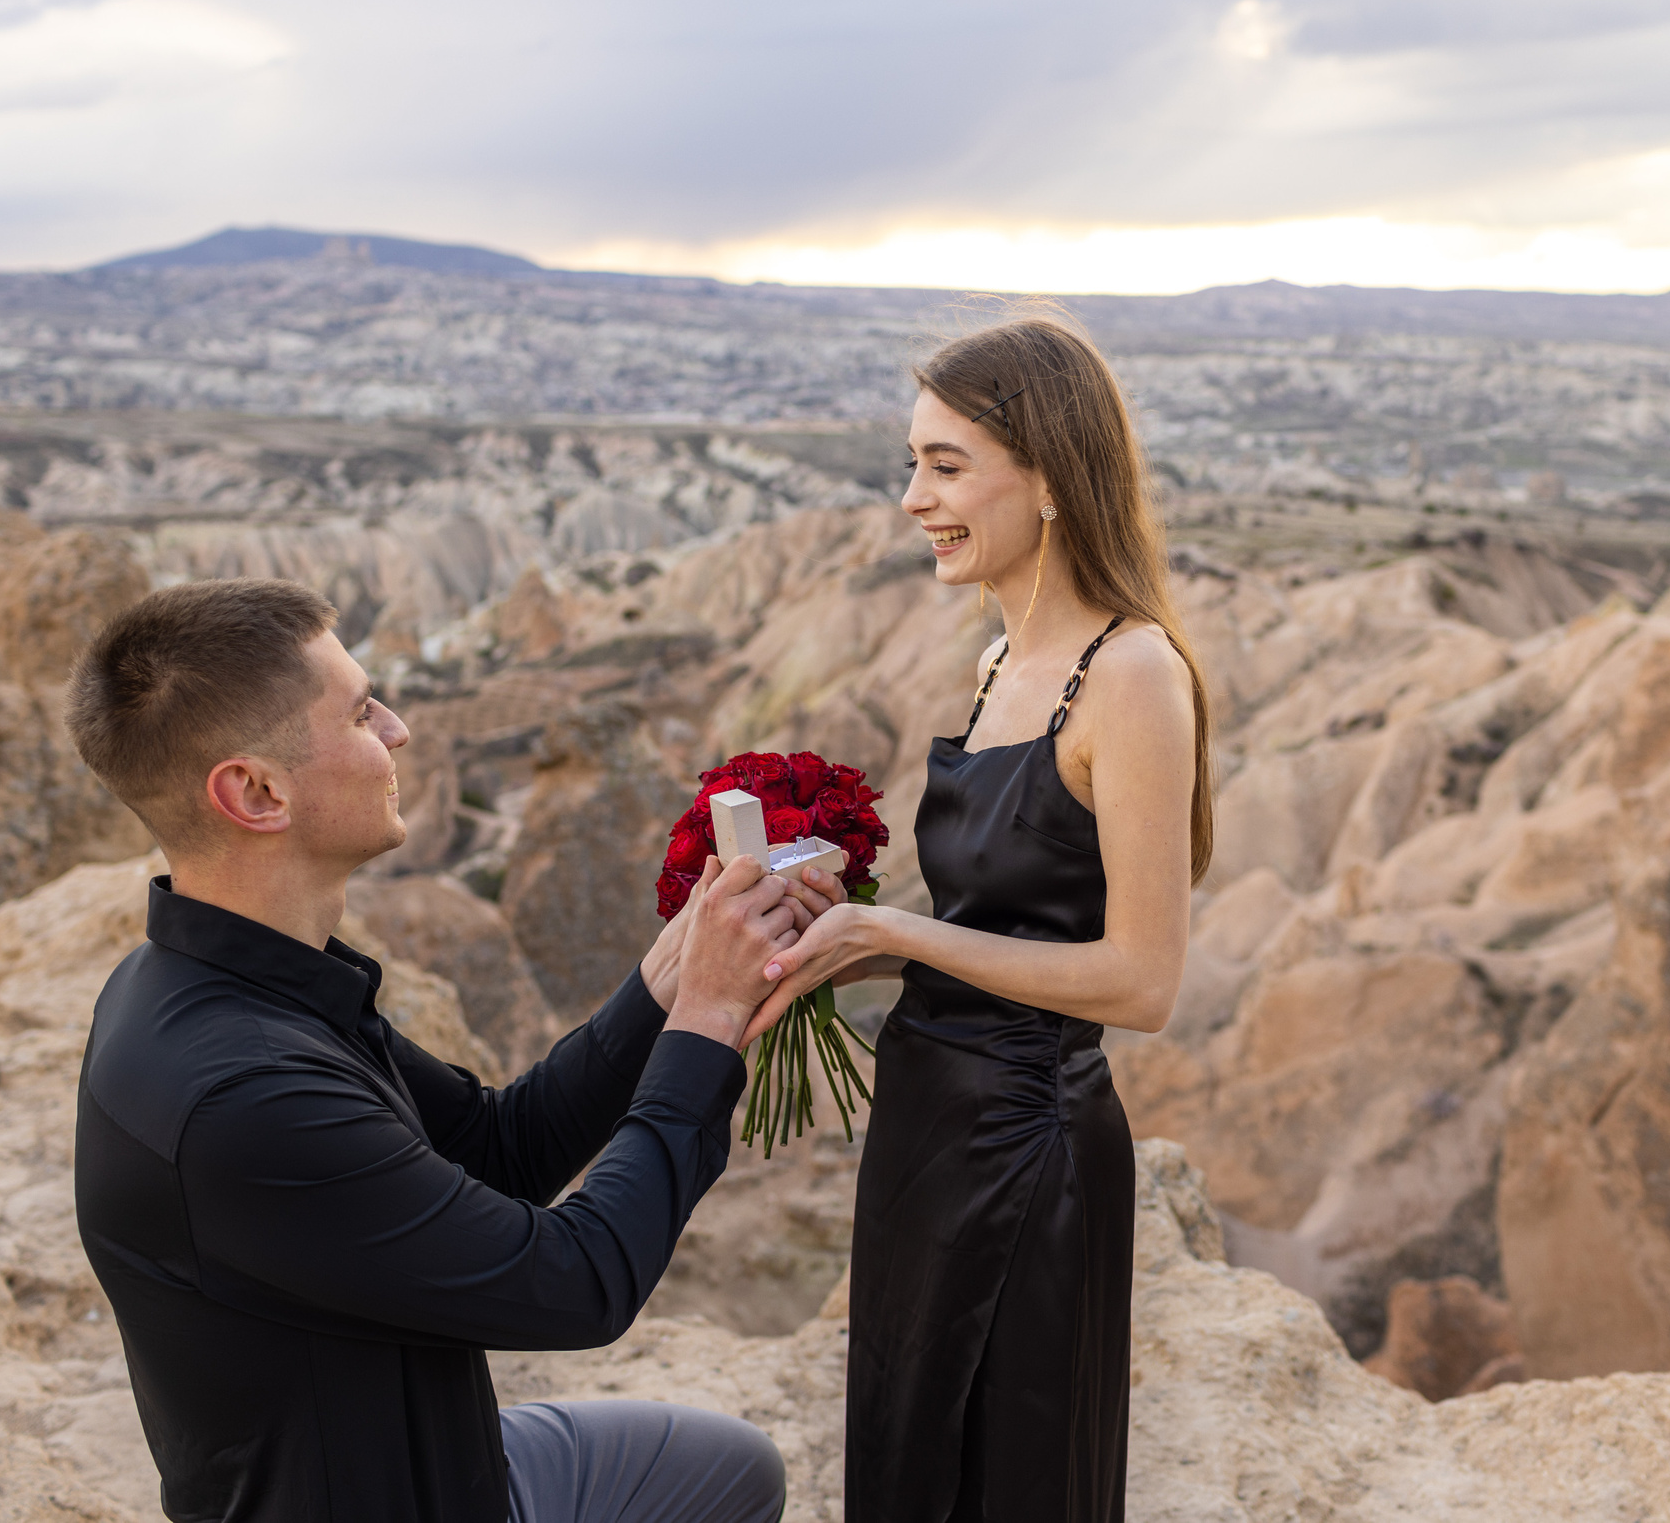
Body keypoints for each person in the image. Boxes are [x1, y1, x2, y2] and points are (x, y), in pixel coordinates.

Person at [64, 577, 820, 1523]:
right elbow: (580, 1283)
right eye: (359, 712)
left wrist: (668, 981)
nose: (399, 730)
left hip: (448, 1464)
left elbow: (498, 1149)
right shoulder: (247, 1098)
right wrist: (708, 1024)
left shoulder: (248, 985)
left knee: (732, 1470)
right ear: (256, 791)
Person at [745, 315, 1213, 1523]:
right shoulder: (1004, 658)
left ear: (1050, 475)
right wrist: (842, 909)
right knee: (910, 1455)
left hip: (1028, 1142)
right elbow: (1001, 910)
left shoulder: (1134, 676)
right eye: (912, 464)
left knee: (1009, 1474)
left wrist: (891, 940)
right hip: (928, 1127)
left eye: (945, 466)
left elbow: (1140, 982)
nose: (913, 498)